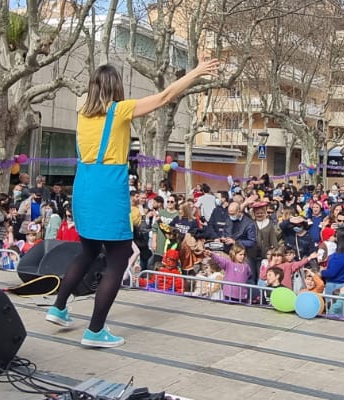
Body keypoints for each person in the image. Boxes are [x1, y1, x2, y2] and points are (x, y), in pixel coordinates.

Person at [45, 58, 220, 348]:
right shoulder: (119, 110)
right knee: (119, 256)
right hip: (107, 189)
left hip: (83, 186)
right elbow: (165, 96)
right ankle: (95, 331)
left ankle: (59, 307)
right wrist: (196, 73)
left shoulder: (83, 115)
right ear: (116, 87)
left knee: (88, 250)